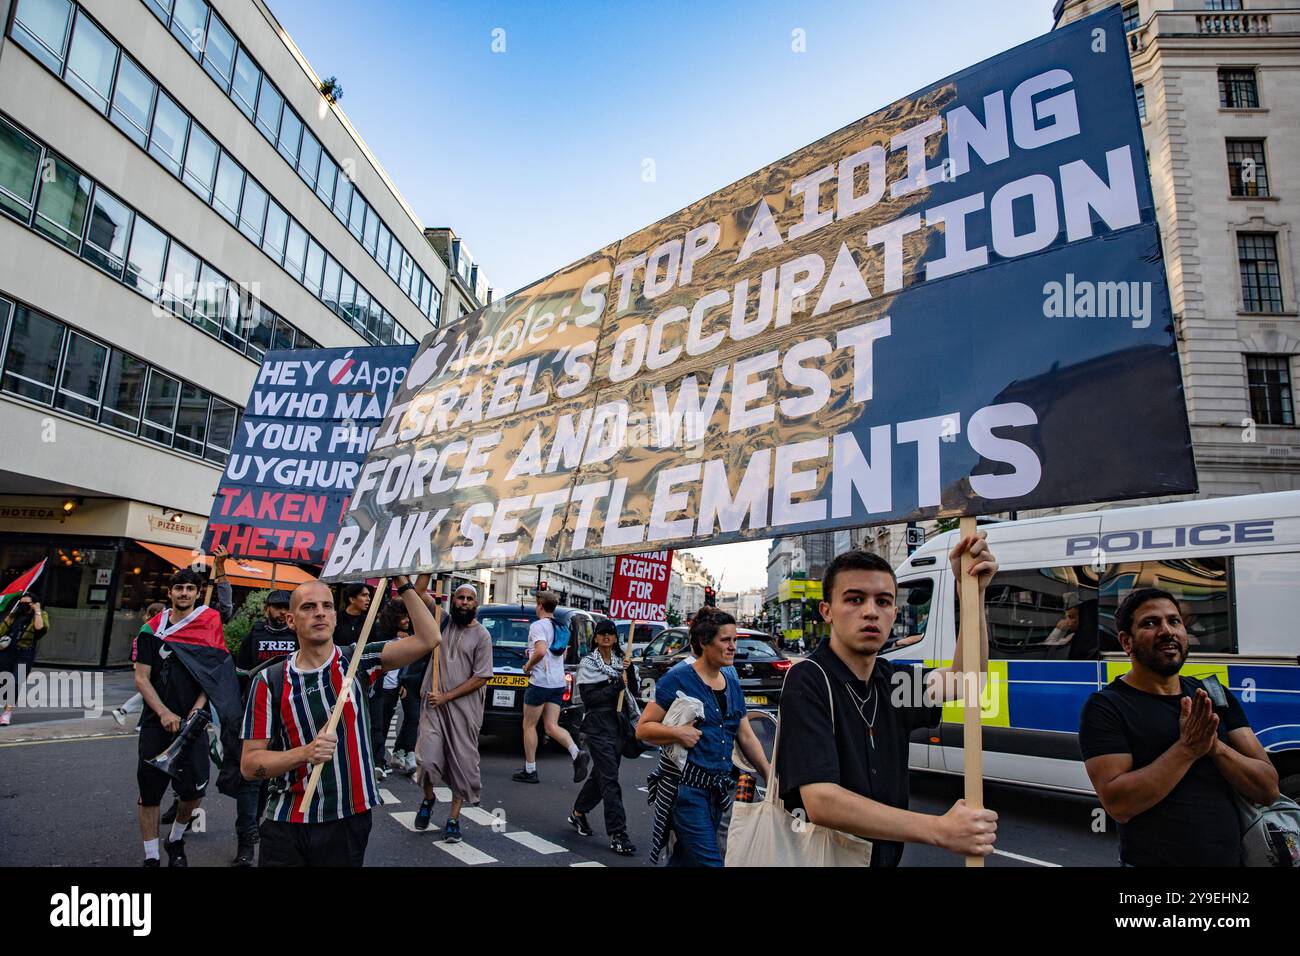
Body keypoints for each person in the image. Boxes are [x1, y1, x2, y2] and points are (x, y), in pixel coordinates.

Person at [775, 541, 1000, 867]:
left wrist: (971, 591)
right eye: (854, 599)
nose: (870, 611)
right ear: (827, 611)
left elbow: (966, 678)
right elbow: (822, 801)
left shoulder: (893, 681)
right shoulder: (808, 679)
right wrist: (938, 829)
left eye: (883, 601)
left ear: (894, 613)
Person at [240, 574, 440, 867]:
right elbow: (249, 765)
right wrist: (306, 754)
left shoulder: (358, 661)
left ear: (334, 616)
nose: (319, 612)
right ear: (291, 620)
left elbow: (429, 638)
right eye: (308, 607)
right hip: (286, 821)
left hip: (347, 819)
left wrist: (402, 580)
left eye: (326, 606)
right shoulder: (268, 681)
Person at [1080, 587, 1279, 867]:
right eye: (1150, 623)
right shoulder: (1106, 707)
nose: (1167, 631)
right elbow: (1119, 805)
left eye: (1174, 621)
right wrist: (1186, 749)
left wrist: (1214, 747)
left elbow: (1268, 789)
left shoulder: (1214, 695)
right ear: (1126, 642)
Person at [637, 608, 771, 866]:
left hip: (718, 790)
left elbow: (745, 734)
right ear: (703, 643)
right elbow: (643, 728)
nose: (733, 647)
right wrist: (677, 732)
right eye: (726, 640)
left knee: (686, 860)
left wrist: (768, 774)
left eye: (735, 640)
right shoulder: (677, 679)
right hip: (687, 792)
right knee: (711, 862)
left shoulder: (730, 682)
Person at [132, 550, 235, 867]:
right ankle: (151, 856)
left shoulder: (207, 623)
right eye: (179, 588)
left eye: (191, 589)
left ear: (195, 593)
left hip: (194, 722)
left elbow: (213, 674)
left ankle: (175, 838)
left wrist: (197, 709)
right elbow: (141, 678)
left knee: (193, 792)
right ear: (170, 593)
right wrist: (163, 712)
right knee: (150, 793)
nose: (185, 593)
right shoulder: (151, 629)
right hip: (155, 722)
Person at [412, 583, 493, 843]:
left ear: (476, 604)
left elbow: (481, 677)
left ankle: (453, 820)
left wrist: (447, 696)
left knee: (462, 765)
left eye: (470, 599)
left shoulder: (482, 636)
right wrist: (428, 561)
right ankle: (428, 799)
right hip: (434, 706)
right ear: (452, 601)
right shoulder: (440, 621)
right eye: (460, 598)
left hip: (463, 711)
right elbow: (416, 592)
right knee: (427, 760)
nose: (465, 602)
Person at [229, 589, 296, 867]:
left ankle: (259, 827)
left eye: (285, 608)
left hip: (287, 718)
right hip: (256, 716)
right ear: (267, 608)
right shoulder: (253, 636)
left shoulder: (297, 637)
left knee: (270, 781)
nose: (281, 612)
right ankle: (246, 841)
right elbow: (240, 675)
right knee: (250, 781)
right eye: (277, 607)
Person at [569, 618, 639, 856]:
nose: (607, 636)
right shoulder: (588, 663)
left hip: (617, 725)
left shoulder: (622, 662)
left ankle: (578, 812)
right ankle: (618, 833)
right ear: (596, 639)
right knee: (610, 779)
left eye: (611, 633)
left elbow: (633, 692)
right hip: (597, 726)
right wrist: (616, 685)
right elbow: (590, 699)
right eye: (603, 633)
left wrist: (629, 673)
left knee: (601, 775)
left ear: (616, 638)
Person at [513, 591, 590, 785]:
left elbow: (540, 651)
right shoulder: (561, 626)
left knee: (529, 725)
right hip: (557, 682)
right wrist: (536, 655)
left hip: (540, 682)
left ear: (539, 605)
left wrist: (528, 666)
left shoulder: (538, 625)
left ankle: (530, 770)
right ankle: (576, 752)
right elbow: (561, 655)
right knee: (551, 726)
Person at [369, 599, 412, 782]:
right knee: (376, 725)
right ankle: (376, 761)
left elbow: (407, 662)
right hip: (378, 687)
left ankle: (379, 760)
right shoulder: (379, 633)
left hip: (393, 687)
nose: (407, 620)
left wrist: (403, 683)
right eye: (403, 616)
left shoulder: (406, 636)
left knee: (385, 723)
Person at [112, 603, 165, 726]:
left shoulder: (153, 626)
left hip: (148, 663)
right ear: (156, 613)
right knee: (149, 691)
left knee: (149, 693)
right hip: (149, 664)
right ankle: (123, 711)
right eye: (164, 611)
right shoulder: (151, 627)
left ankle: (140, 723)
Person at [0, 593, 49, 726]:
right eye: (21, 603)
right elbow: (1, 630)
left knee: (16, 682)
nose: (24, 606)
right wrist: (11, 614)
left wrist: (37, 610)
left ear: (34, 603)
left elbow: (40, 628)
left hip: (25, 654)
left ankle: (7, 713)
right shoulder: (14, 615)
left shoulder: (40, 615)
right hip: (7, 652)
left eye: (27, 603)